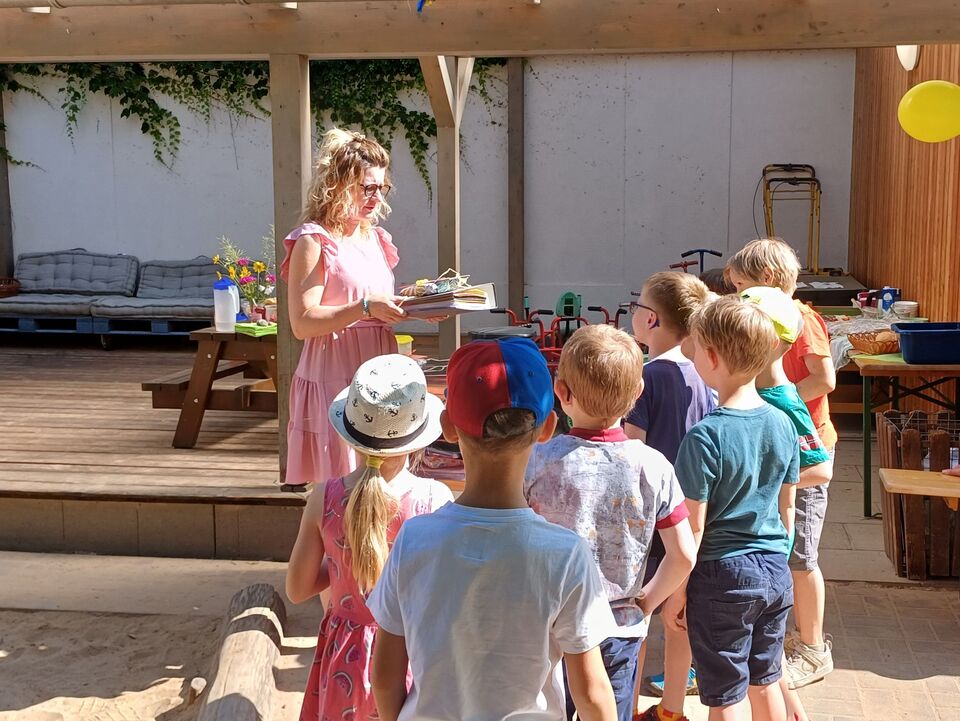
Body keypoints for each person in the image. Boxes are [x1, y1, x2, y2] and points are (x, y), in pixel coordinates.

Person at [369, 338, 619, 721]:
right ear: (548, 427)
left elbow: (385, 679)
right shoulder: (566, 555)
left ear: (448, 427)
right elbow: (591, 693)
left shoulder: (413, 540)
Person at [524, 324, 697, 721]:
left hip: (548, 626)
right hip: (619, 627)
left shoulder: (537, 461)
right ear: (638, 392)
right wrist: (647, 601)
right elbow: (684, 555)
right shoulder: (654, 466)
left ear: (561, 391)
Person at [285, 354, 454, 721]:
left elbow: (297, 590)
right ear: (418, 438)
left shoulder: (324, 497)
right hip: (408, 653)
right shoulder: (435, 500)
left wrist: (342, 562)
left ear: (350, 433)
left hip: (344, 655)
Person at [666, 295, 798, 721]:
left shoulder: (704, 436)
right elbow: (788, 507)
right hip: (775, 569)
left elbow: (694, 527)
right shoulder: (783, 422)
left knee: (724, 693)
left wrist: (677, 590)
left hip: (722, 576)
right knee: (766, 679)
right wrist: (778, 558)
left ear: (711, 358)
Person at [725, 238, 837, 689]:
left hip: (805, 451)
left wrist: (774, 402)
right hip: (777, 450)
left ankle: (812, 648)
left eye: (741, 286)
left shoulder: (800, 319)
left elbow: (824, 378)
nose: (737, 295)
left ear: (768, 280)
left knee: (801, 557)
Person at [280, 128, 408, 492]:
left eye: (381, 188)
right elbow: (302, 323)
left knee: (381, 483)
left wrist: (417, 305)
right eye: (367, 187)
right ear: (337, 184)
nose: (376, 197)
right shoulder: (313, 240)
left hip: (379, 367)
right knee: (341, 487)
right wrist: (364, 307)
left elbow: (377, 304)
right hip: (334, 370)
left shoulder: (374, 237)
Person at [624, 272, 716, 721]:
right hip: (690, 516)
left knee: (636, 617)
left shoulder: (646, 378)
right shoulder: (705, 376)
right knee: (678, 620)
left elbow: (631, 451)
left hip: (648, 519)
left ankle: (627, 706)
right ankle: (672, 710)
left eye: (637, 306)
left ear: (652, 320)